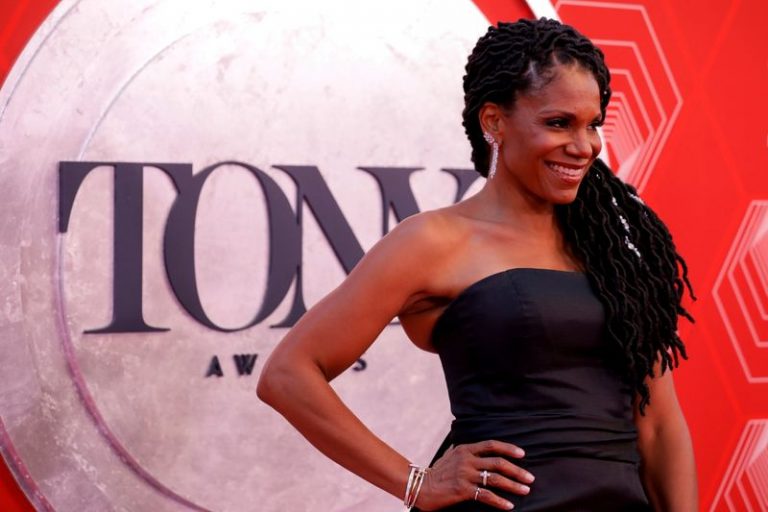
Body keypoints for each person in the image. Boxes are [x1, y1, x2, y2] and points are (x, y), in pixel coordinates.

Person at [257, 17, 698, 511]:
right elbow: (288, 375)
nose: (583, 146)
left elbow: (660, 427)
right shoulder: (433, 241)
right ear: (493, 121)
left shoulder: (613, 252)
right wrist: (416, 483)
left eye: (592, 124)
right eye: (558, 123)